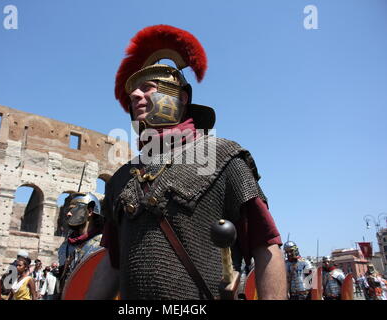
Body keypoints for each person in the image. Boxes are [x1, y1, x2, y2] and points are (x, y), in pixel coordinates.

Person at [86, 25, 286, 300]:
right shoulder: (121, 178)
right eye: (133, 92)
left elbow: (266, 246)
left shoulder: (222, 157)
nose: (134, 96)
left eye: (147, 88)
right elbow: (112, 262)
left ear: (180, 96)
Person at [58, 192, 104, 291]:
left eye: (73, 209)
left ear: (90, 211)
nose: (68, 214)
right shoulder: (65, 245)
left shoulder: (102, 244)